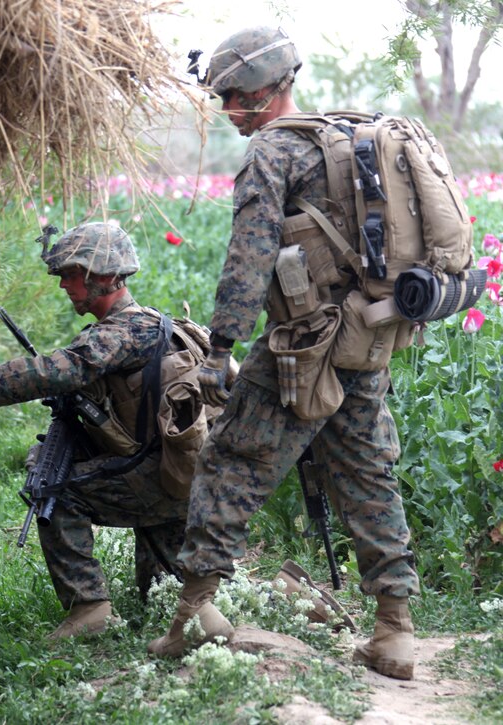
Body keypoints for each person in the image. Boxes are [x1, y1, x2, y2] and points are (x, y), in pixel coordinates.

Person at [147, 27, 420, 681]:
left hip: (301, 348)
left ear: (260, 91)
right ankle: (395, 629)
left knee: (230, 462)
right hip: (367, 341)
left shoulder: (273, 150)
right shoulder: (346, 139)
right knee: (367, 475)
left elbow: (250, 255)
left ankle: (194, 611)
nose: (227, 110)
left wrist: (219, 348)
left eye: (232, 97)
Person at [0, 222, 194, 640]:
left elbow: (56, 371)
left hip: (160, 476)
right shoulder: (151, 325)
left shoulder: (126, 331)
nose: (63, 285)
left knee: (54, 490)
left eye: (69, 274)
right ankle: (257, 598)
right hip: (178, 474)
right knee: (166, 598)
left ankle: (89, 608)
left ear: (103, 276)